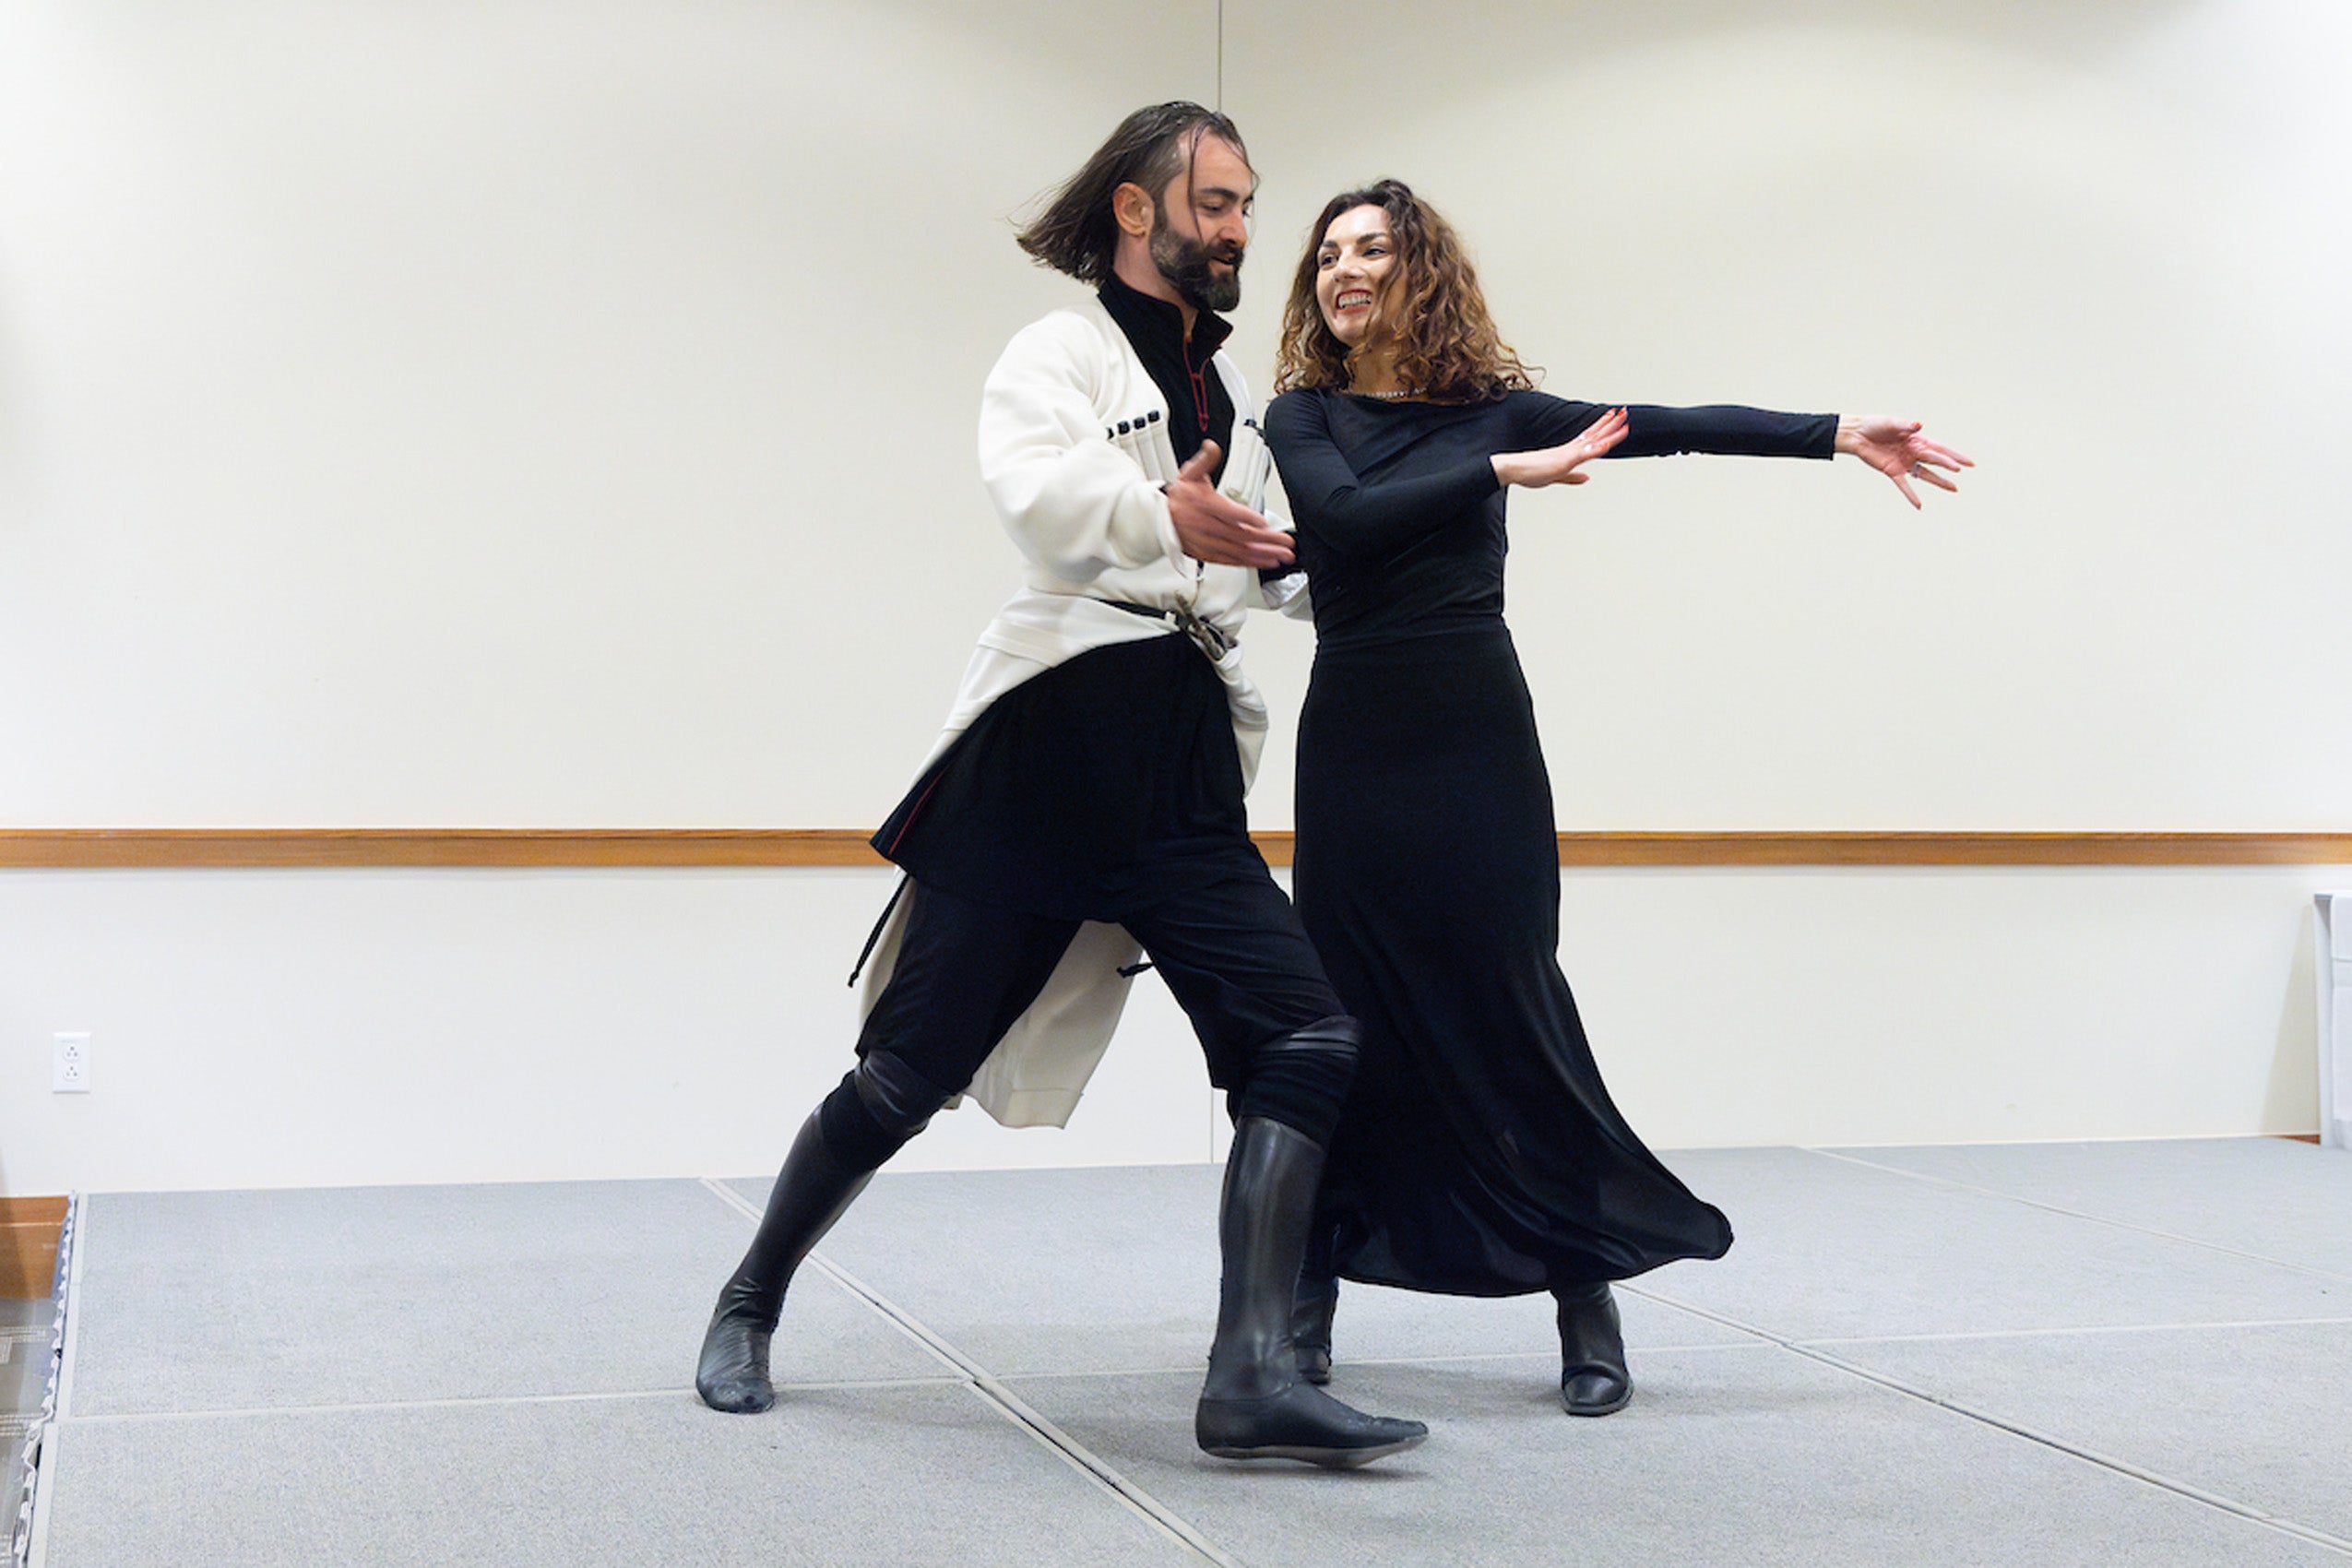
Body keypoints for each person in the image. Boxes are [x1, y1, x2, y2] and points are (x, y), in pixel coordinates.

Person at [695, 110, 1427, 1468]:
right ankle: (748, 1302)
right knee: (907, 1073)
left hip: (1179, 781)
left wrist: (1414, 551)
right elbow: (1036, 496)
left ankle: (1251, 1375)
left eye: (1245, 205)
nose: (1238, 231)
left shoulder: (1229, 401)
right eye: (1216, 203)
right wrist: (1161, 514)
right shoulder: (1059, 353)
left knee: (1309, 1040)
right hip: (1042, 767)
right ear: (1138, 211)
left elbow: (1273, 567)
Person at [1260, 180, 1970, 1417]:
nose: (1344, 269)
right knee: (1344, 1019)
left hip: (1473, 735)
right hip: (1354, 743)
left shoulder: (1501, 412)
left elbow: (1673, 423)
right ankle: (1302, 1319)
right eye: (1327, 254)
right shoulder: (1302, 413)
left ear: (1419, 271)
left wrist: (1838, 429)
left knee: (1512, 1004)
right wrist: (1500, 468)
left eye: (1369, 248)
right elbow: (1343, 521)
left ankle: (1585, 1297)